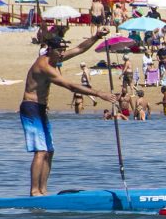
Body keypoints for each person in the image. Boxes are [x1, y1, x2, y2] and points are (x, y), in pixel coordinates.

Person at [20, 29, 116, 196]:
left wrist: (96, 36)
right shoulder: (43, 65)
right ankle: (34, 191)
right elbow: (69, 86)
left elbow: (79, 49)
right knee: (40, 151)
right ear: (50, 49)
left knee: (49, 151)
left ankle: (43, 190)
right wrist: (99, 93)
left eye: (63, 50)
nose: (62, 53)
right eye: (59, 50)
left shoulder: (56, 58)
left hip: (41, 108)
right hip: (30, 107)